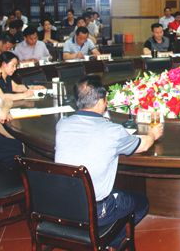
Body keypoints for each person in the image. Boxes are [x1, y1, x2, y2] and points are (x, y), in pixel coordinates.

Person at [55, 75, 162, 249]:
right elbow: (143, 145)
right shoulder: (113, 131)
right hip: (97, 210)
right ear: (100, 103)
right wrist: (152, 133)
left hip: (61, 205)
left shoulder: (62, 124)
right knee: (141, 202)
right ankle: (103, 243)